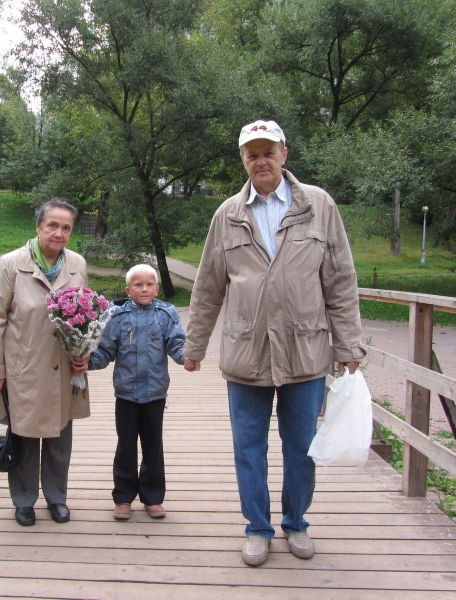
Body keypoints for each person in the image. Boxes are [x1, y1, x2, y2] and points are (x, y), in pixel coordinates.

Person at [183, 120, 365, 567]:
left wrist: (349, 345)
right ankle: (258, 528)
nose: (261, 161)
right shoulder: (227, 215)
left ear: (284, 154)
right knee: (249, 449)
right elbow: (208, 286)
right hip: (246, 352)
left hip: (306, 351)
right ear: (243, 161)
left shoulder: (318, 205)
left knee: (302, 447)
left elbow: (340, 279)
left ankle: (296, 522)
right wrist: (195, 345)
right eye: (252, 154)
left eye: (268, 152)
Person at [0, 198, 89, 527]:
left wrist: (85, 352)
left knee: (60, 437)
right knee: (25, 435)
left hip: (64, 367)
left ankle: (57, 498)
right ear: (38, 226)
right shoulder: (11, 264)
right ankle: (24, 500)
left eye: (66, 228)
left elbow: (86, 314)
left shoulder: (77, 264)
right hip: (24, 366)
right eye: (52, 225)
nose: (59, 233)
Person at [73, 264, 185, 520]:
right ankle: (123, 497)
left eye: (149, 285)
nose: (144, 289)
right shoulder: (117, 316)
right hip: (125, 394)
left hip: (155, 393)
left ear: (157, 289)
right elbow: (105, 351)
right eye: (138, 285)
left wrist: (187, 357)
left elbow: (176, 344)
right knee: (126, 446)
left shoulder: (166, 314)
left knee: (153, 445)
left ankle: (152, 497)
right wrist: (86, 361)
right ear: (128, 290)